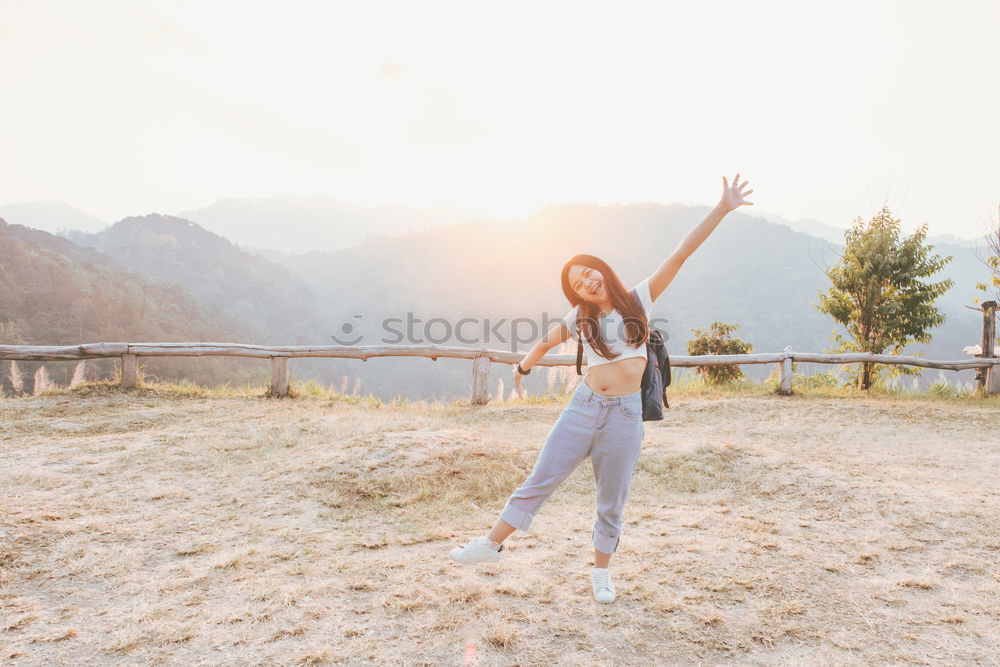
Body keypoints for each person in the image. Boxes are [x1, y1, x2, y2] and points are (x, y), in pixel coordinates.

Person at [448, 174, 754, 603]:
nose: (586, 283)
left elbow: (682, 253)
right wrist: (522, 368)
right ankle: (491, 545)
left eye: (588, 273)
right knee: (541, 478)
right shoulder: (581, 319)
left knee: (611, 499)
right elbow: (546, 339)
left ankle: (601, 573)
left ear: (601, 271)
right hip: (584, 408)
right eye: (577, 284)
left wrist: (721, 208)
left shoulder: (640, 299)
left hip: (625, 415)